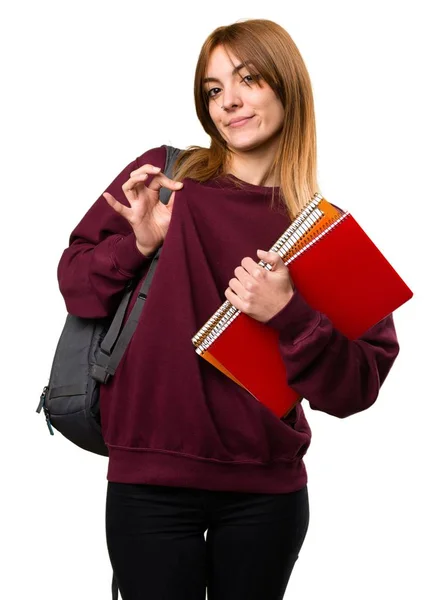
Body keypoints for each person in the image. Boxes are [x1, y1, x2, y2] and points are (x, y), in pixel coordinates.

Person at [57, 18, 400, 600]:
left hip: (266, 494)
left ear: (286, 86)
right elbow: (75, 284)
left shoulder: (322, 232)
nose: (229, 102)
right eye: (214, 89)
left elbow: (359, 387)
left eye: (249, 79)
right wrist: (139, 244)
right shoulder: (167, 179)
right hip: (150, 481)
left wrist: (287, 313)